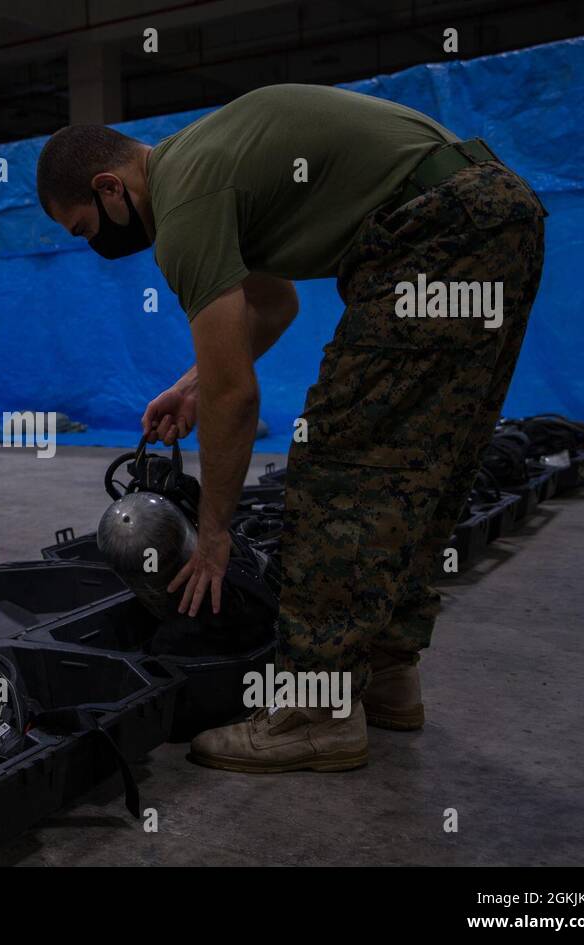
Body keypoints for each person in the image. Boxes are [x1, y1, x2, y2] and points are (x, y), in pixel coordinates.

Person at [35, 83, 547, 771]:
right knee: (424, 462)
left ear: (110, 187)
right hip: (496, 214)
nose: (94, 246)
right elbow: (273, 310)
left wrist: (212, 536)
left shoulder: (183, 204)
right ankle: (388, 672)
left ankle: (316, 713)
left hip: (433, 231)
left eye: (86, 229)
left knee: (338, 471)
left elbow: (236, 396)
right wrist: (190, 386)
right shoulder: (209, 164)